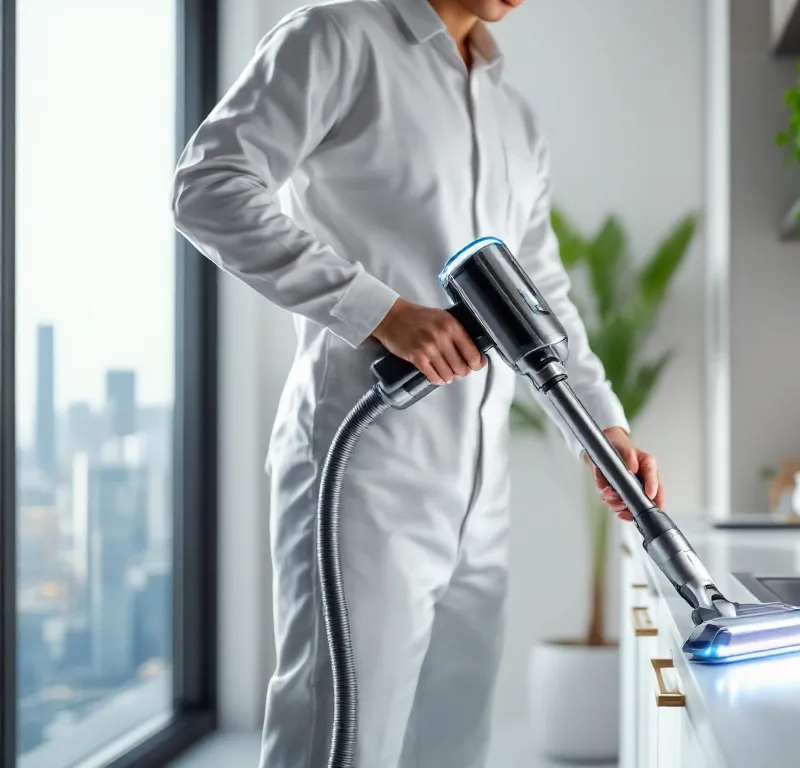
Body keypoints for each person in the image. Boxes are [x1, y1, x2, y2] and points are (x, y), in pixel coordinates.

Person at [171, 1, 665, 765]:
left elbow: (542, 294)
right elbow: (210, 186)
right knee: (337, 741)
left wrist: (600, 425)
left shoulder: (514, 115)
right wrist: (381, 312)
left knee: (450, 744)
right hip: (362, 470)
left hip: (478, 490)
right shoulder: (336, 37)